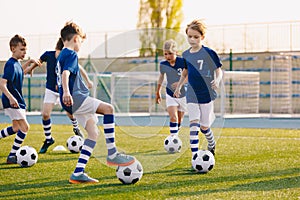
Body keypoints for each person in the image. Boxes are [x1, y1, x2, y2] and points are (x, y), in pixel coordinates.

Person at [56, 21, 135, 184]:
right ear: (76, 39)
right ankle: (113, 154)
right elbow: (65, 74)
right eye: (81, 42)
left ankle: (78, 173)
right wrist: (66, 92)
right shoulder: (71, 54)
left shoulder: (61, 55)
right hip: (76, 98)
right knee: (109, 109)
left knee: (93, 134)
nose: (81, 46)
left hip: (72, 102)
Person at [25, 38, 93, 154]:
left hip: (64, 90)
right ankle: (48, 139)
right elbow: (38, 62)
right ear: (57, 49)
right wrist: (31, 68)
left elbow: (79, 68)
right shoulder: (48, 55)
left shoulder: (67, 57)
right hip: (51, 90)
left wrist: (88, 80)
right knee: (45, 114)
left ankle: (76, 128)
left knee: (70, 113)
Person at [174, 19, 223, 158]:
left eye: (196, 37)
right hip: (191, 94)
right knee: (193, 124)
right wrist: (178, 87)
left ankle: (211, 144)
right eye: (190, 36)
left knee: (204, 127)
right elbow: (185, 72)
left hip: (206, 94)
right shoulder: (186, 54)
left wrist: (217, 80)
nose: (192, 39)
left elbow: (218, 70)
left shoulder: (209, 53)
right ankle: (195, 156)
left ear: (202, 37)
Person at [0, 34, 40, 164]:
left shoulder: (17, 64)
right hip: (13, 101)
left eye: (25, 50)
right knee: (25, 127)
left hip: (17, 100)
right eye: (21, 50)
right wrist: (11, 98)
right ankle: (12, 155)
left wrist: (29, 63)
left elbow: (21, 73)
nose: (24, 52)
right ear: (13, 49)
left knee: (16, 127)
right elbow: (2, 83)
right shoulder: (10, 64)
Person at [155, 39, 187, 137]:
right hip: (170, 94)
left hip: (183, 95)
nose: (168, 56)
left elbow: (188, 75)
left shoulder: (183, 62)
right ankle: (174, 139)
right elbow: (161, 77)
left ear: (176, 52)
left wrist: (180, 84)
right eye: (165, 54)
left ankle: (176, 132)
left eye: (170, 53)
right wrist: (158, 91)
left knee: (179, 120)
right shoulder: (163, 65)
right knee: (173, 117)